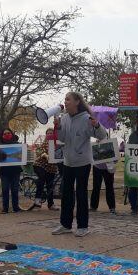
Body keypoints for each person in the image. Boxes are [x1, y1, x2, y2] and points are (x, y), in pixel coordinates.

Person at [53, 91, 106, 236]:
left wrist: (97, 126)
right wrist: (58, 128)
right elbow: (62, 139)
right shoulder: (63, 118)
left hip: (83, 162)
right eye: (65, 99)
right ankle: (65, 225)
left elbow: (102, 136)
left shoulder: (86, 118)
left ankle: (83, 227)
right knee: (66, 194)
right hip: (68, 162)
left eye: (68, 99)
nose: (66, 101)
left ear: (77, 102)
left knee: (81, 193)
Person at [32, 128, 59, 211]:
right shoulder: (43, 144)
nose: (50, 135)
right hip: (40, 165)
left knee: (50, 185)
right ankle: (37, 201)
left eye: (51, 133)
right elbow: (39, 151)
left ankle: (51, 204)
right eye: (48, 133)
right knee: (42, 178)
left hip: (51, 168)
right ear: (46, 135)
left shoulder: (57, 144)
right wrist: (45, 155)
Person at [90, 130, 116, 215]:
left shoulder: (112, 144)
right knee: (96, 187)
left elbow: (116, 159)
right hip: (97, 168)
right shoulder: (95, 144)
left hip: (108, 169)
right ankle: (93, 206)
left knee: (109, 187)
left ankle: (112, 207)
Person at [0, 128, 22, 213]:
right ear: (2, 136)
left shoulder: (18, 145)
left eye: (8, 133)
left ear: (11, 134)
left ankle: (16, 207)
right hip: (4, 172)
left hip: (15, 170)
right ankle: (5, 208)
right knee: (5, 190)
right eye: (5, 134)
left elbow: (21, 157)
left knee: (15, 190)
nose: (7, 135)